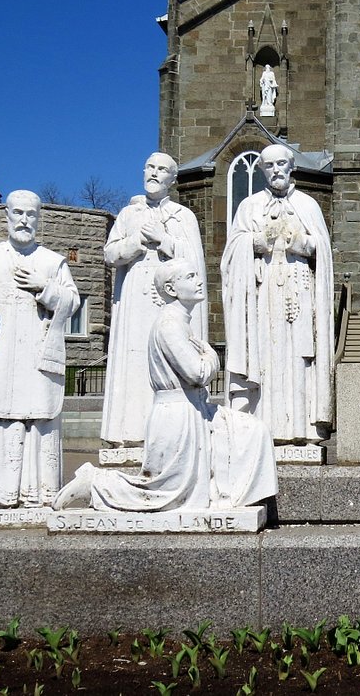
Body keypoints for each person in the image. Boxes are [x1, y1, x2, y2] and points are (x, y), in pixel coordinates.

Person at [56, 260, 277, 512]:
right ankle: (96, 483)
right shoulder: (169, 325)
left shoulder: (180, 323)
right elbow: (198, 372)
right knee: (166, 494)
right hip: (178, 416)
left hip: (192, 409)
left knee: (253, 431)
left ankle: (224, 494)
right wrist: (213, 357)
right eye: (190, 276)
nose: (199, 280)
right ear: (171, 289)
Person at [0, 190, 78, 508]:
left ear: (39, 218)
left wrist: (44, 287)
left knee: (38, 419)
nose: (24, 220)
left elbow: (72, 302)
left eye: (31, 214)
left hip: (36, 360)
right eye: (18, 213)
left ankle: (36, 494)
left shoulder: (52, 262)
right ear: (7, 215)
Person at [221, 143, 334, 442]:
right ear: (262, 171)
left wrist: (300, 241)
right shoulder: (250, 207)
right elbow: (231, 254)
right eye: (269, 166)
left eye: (281, 164)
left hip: (300, 287)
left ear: (291, 166)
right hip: (264, 289)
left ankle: (300, 429)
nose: (276, 170)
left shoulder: (308, 205)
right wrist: (257, 241)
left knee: (299, 357)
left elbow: (321, 249)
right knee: (265, 354)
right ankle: (262, 430)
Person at [100, 152, 206, 448]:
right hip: (135, 298)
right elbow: (110, 254)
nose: (154, 173)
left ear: (173, 179)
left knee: (170, 360)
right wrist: (136, 242)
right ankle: (132, 431)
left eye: (162, 169)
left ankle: (171, 435)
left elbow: (194, 260)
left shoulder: (183, 216)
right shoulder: (127, 215)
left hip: (169, 303)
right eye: (150, 167)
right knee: (135, 360)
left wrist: (164, 240)